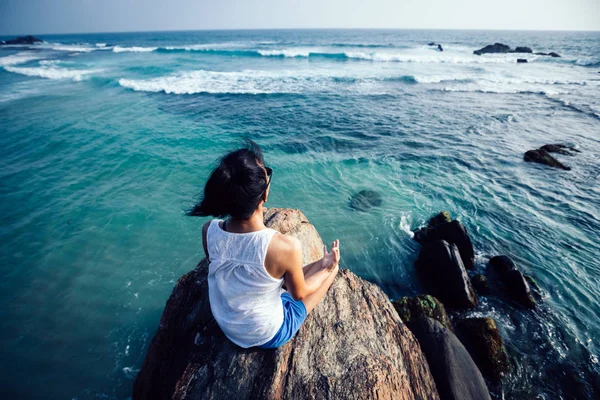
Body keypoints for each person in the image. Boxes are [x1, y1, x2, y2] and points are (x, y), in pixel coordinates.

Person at [187, 140, 340, 349]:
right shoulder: (283, 247)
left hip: (227, 324)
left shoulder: (209, 230)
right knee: (329, 273)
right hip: (266, 334)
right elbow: (299, 294)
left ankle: (323, 264)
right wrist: (328, 269)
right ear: (265, 194)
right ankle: (331, 268)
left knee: (291, 276)